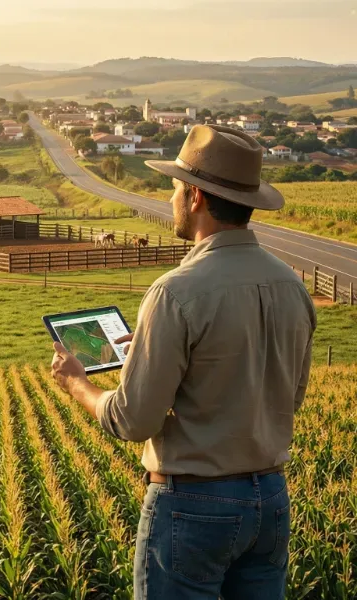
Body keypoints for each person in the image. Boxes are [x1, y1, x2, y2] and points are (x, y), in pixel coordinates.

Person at [51, 125, 316, 599]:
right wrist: (160, 355)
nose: (171, 197)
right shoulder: (291, 285)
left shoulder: (174, 291)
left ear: (194, 197)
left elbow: (133, 421)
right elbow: (288, 397)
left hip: (193, 505)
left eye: (174, 187)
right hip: (271, 500)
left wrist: (78, 385)